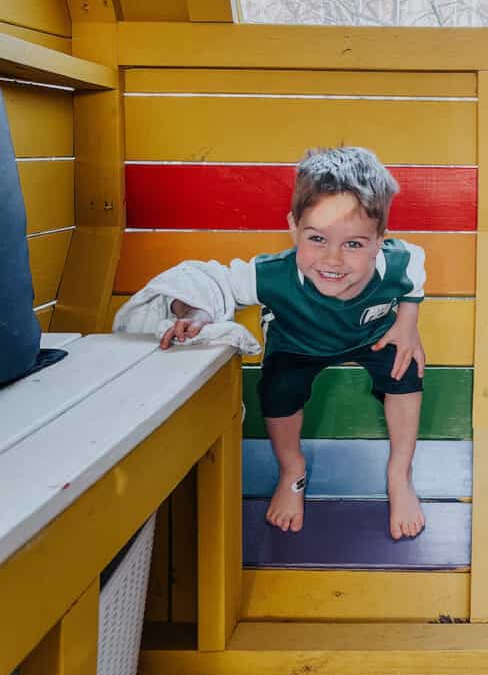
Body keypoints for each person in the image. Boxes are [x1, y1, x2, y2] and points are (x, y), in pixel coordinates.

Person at [125, 146, 426, 539]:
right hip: (298, 339)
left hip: (370, 336)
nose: (332, 260)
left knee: (406, 369)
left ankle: (399, 474)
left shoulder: (397, 261)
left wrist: (407, 323)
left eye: (353, 244)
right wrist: (196, 312)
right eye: (317, 238)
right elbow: (209, 282)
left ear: (379, 240)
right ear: (293, 228)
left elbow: (415, 271)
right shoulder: (272, 274)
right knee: (279, 387)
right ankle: (292, 470)